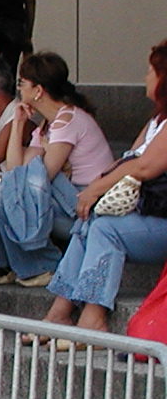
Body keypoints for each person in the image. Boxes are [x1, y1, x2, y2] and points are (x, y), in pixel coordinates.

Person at [40, 40, 167, 340]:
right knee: (90, 222)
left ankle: (93, 315)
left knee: (106, 229)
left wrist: (95, 188)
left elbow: (144, 167)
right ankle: (61, 309)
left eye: (151, 71)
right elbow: (128, 159)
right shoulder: (156, 121)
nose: (146, 78)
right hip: (147, 213)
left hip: (160, 217)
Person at [0, 51, 111, 287]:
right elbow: (16, 167)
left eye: (22, 83)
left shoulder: (67, 120)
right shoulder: (47, 124)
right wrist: (18, 123)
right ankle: (5, 264)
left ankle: (44, 265)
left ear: (38, 90)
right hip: (65, 200)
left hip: (83, 207)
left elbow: (39, 179)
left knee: (2, 190)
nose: (18, 89)